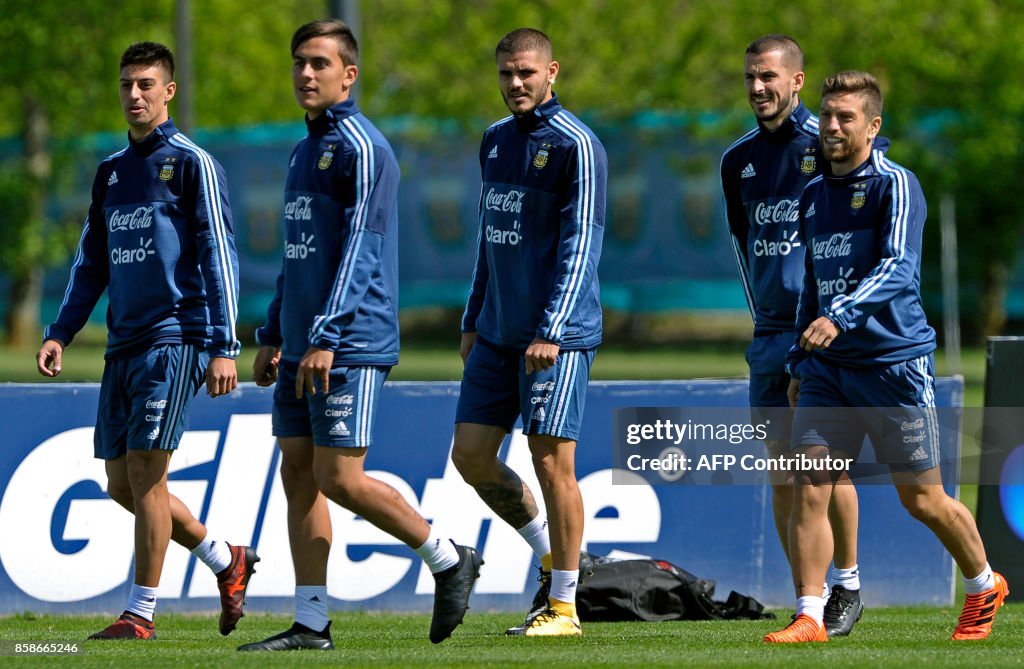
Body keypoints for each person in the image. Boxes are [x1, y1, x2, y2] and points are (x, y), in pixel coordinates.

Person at [240, 19, 481, 651]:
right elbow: (300, 255)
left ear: (349, 74)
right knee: (298, 475)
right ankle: (311, 623)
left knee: (340, 478)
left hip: (347, 341)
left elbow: (361, 250)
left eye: (320, 63)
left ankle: (447, 556)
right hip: (299, 343)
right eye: (299, 63)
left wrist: (323, 334)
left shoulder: (362, 148)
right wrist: (274, 331)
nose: (306, 74)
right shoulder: (302, 149)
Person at [765, 71, 1009, 643]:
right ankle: (808, 613)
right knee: (812, 481)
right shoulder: (811, 195)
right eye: (826, 115)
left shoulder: (895, 186)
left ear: (872, 126)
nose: (830, 126)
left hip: (894, 365)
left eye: (845, 117)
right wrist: (801, 361)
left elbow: (899, 268)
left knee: (923, 499)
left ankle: (982, 584)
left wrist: (841, 315)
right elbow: (812, 287)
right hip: (828, 369)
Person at [36, 41, 257, 640]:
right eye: (127, 84)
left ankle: (140, 613)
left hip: (176, 337)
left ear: (169, 91)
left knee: (146, 471)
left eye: (146, 84)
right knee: (120, 483)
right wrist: (61, 331)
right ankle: (225, 559)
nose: (135, 95)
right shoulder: (111, 171)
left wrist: (223, 346)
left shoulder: (192, 163)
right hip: (123, 344)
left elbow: (220, 259)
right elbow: (92, 263)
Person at [451, 28, 606, 637]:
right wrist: (472, 319)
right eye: (507, 74)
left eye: (526, 73)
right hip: (495, 335)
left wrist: (555, 328)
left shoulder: (578, 145)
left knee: (551, 463)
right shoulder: (493, 141)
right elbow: (491, 242)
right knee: (469, 456)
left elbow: (582, 244)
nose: (516, 83)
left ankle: (564, 607)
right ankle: (553, 554)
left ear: (552, 72)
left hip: (554, 340)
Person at [720, 34, 864, 637]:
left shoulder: (825, 144)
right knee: (783, 470)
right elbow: (742, 243)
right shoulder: (737, 160)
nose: (758, 88)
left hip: (821, 336)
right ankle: (808, 595)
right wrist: (765, 322)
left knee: (823, 470)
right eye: (751, 77)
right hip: (768, 334)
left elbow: (854, 238)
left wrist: (830, 325)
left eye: (770, 77)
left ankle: (847, 584)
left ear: (797, 81)